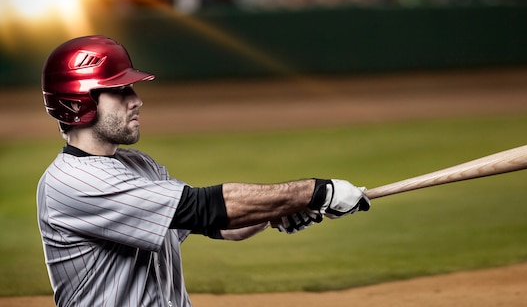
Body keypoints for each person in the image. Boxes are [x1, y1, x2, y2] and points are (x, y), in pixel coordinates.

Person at [36, 35, 371, 307]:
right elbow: (201, 208)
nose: (136, 100)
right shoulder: (72, 182)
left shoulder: (139, 165)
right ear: (78, 101)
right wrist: (317, 191)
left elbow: (214, 226)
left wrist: (278, 212)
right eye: (120, 91)